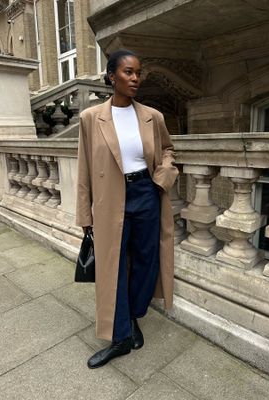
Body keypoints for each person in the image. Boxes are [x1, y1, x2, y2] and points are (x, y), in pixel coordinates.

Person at [76, 49, 178, 369]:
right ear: (111, 77)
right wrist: (84, 215)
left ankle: (133, 316)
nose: (135, 79)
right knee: (113, 268)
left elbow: (167, 151)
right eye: (128, 73)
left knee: (147, 263)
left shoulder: (152, 116)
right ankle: (120, 337)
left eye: (138, 73)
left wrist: (161, 180)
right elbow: (84, 169)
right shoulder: (91, 118)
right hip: (111, 199)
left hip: (146, 193)